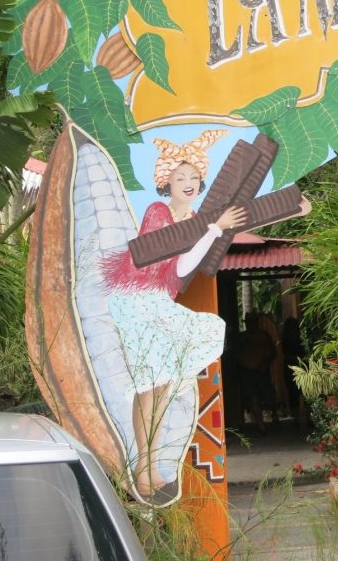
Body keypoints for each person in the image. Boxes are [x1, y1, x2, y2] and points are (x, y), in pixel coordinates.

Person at [102, 129, 246, 498]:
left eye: (193, 178)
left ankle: (149, 467)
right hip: (136, 298)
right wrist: (211, 228)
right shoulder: (158, 211)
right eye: (180, 177)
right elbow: (163, 256)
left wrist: (213, 229)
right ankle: (142, 467)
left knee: (163, 383)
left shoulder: (196, 219)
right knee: (150, 385)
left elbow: (184, 268)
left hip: (158, 300)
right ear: (167, 182)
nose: (187, 183)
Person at [237, 312, 278, 435]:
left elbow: (273, 353)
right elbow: (237, 355)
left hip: (262, 371)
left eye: (253, 321)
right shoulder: (242, 338)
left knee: (268, 397)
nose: (251, 324)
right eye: (249, 322)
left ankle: (275, 416)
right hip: (248, 373)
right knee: (253, 398)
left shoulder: (264, 336)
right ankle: (261, 426)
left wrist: (265, 364)